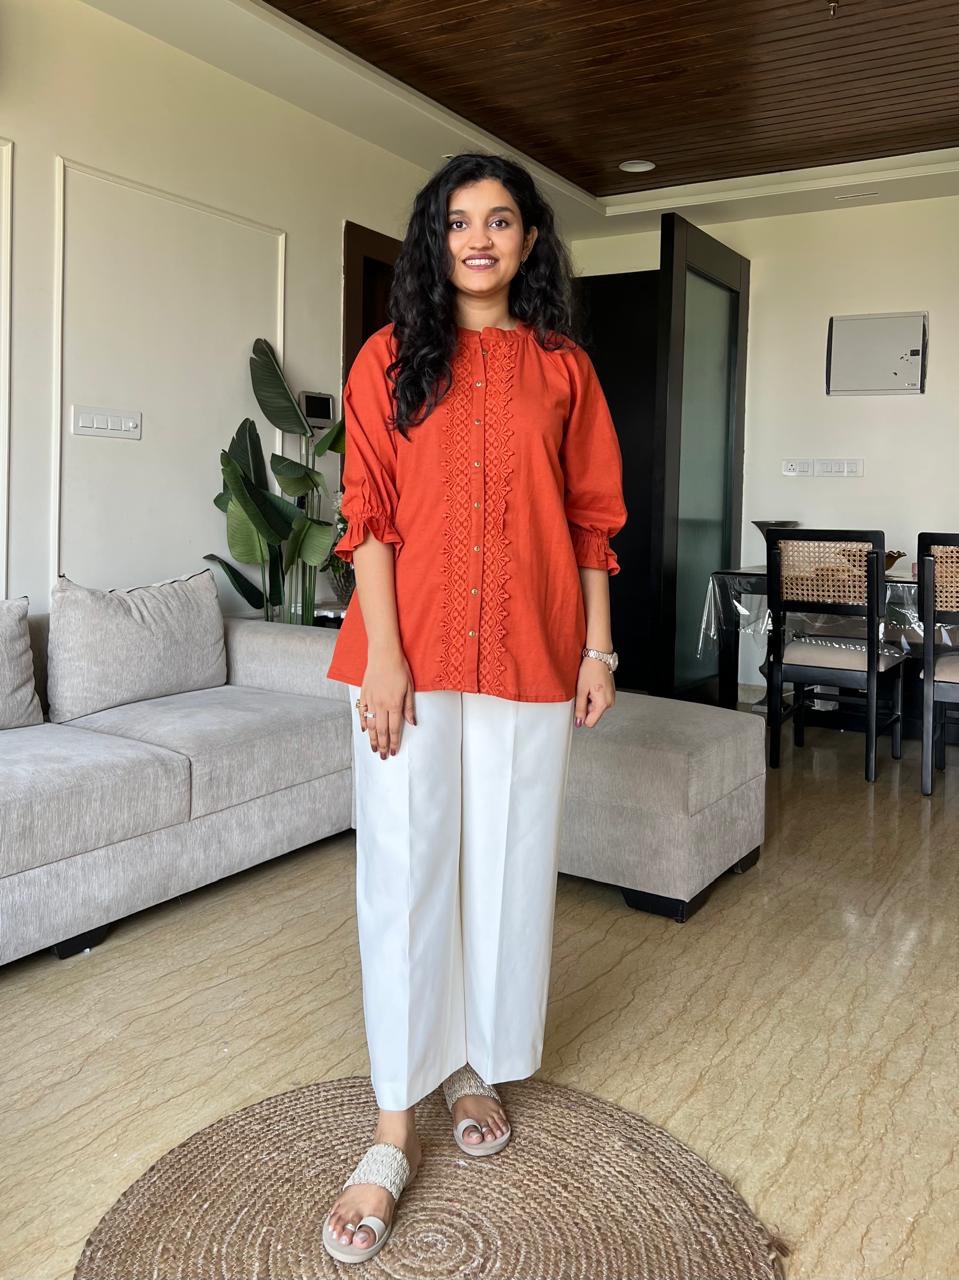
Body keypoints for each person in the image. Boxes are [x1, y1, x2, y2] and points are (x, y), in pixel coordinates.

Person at [321, 152, 627, 1264]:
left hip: (533, 649)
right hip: (404, 658)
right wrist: (386, 659)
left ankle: (475, 1066)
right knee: (405, 873)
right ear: (434, 239)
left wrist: (596, 646)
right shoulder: (388, 356)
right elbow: (367, 514)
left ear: (529, 240)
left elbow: (591, 517)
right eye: (458, 222)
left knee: (504, 864)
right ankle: (392, 1127)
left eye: (499, 221)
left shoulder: (563, 367)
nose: (479, 239)